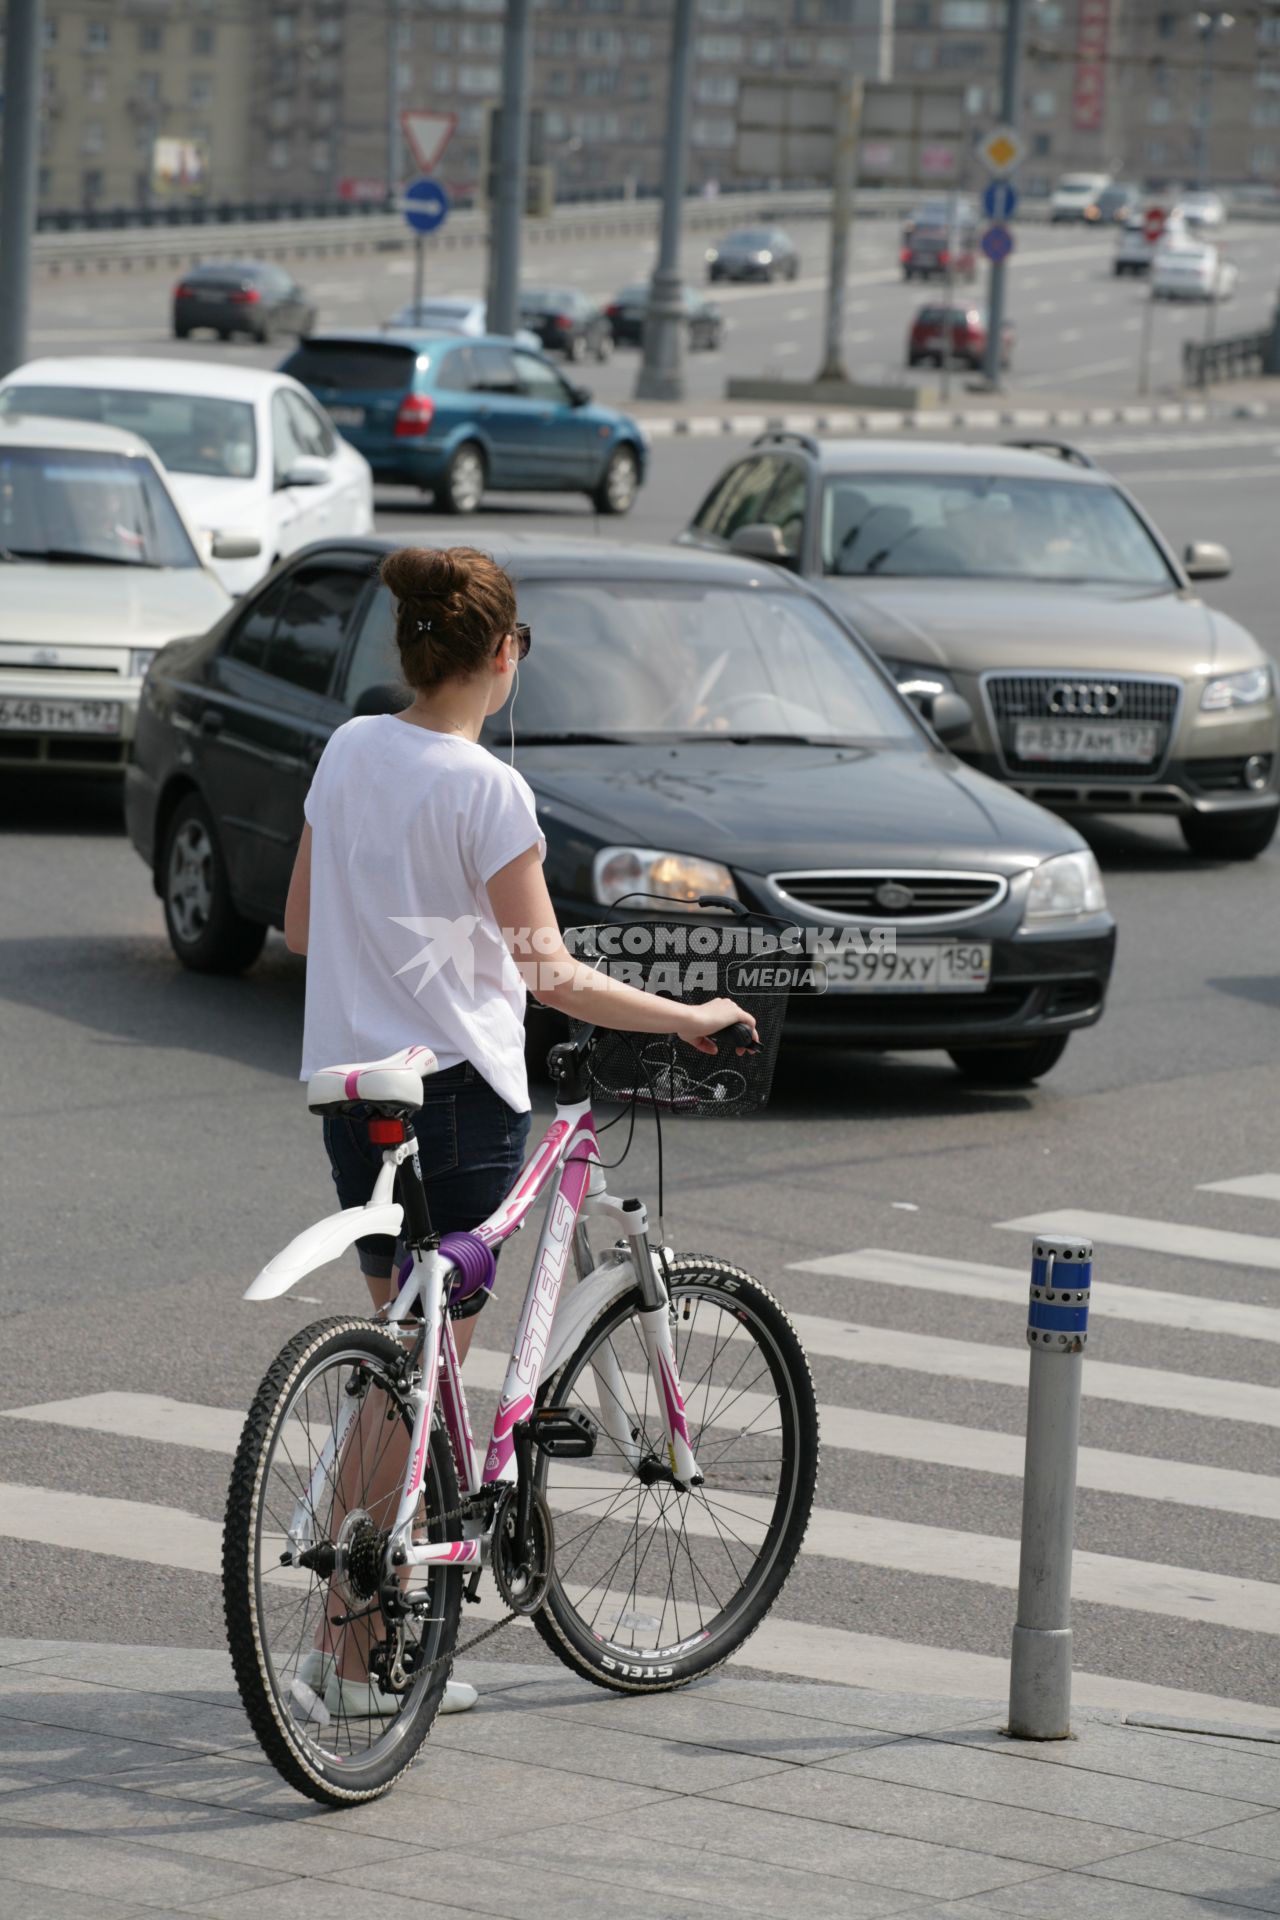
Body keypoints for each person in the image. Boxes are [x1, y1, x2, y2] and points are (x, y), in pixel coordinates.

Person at [283, 544, 755, 1718]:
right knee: (422, 1372)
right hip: (459, 1103)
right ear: (502, 656)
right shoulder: (485, 788)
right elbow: (554, 978)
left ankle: (354, 1630)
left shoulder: (348, 748)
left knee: (399, 1355)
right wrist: (689, 1015)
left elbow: (298, 924)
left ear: (410, 650)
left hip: (354, 1096)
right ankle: (350, 1655)